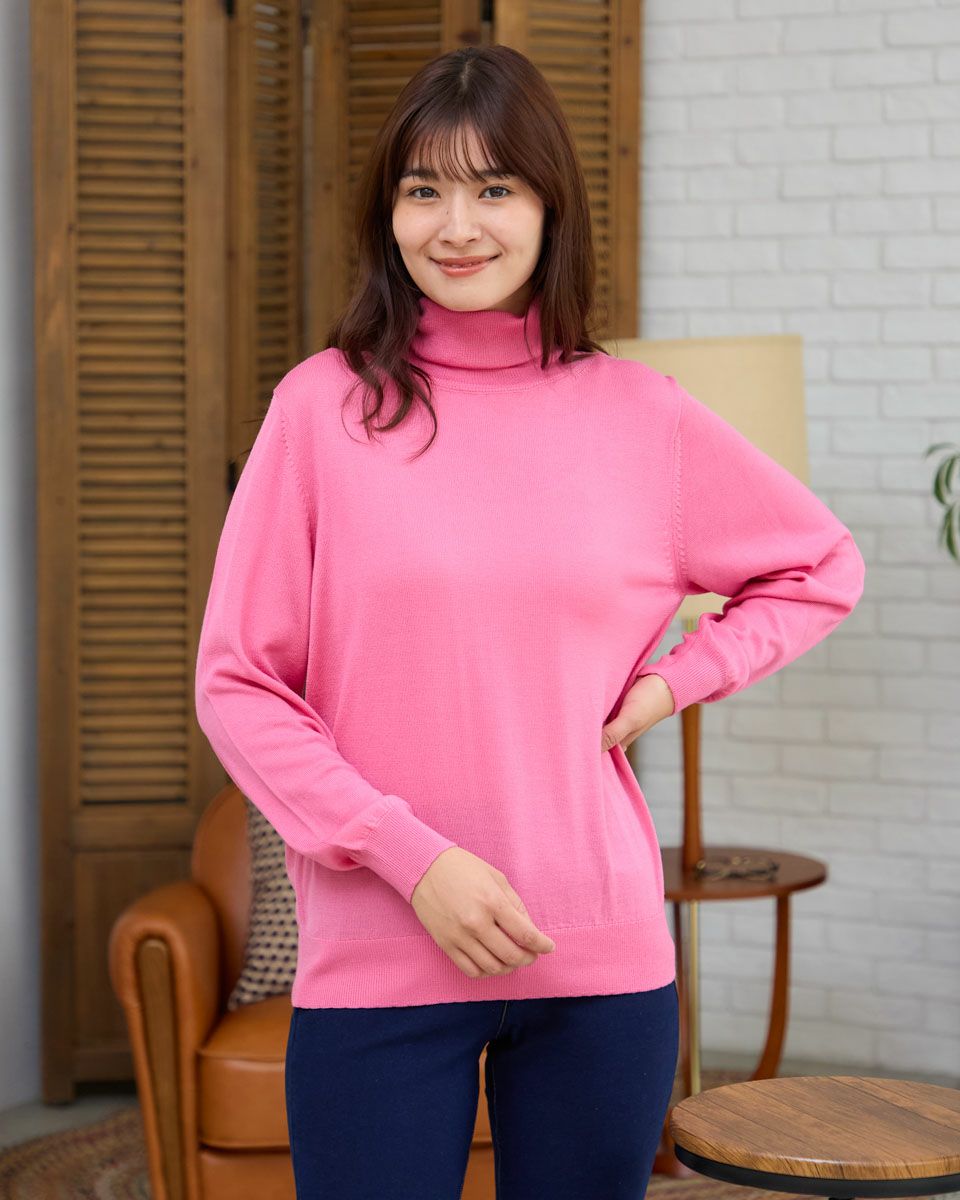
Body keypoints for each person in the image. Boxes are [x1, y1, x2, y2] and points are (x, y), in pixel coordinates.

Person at [194, 43, 865, 1200]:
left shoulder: (641, 416)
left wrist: (671, 682)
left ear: (551, 206)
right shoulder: (321, 410)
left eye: (494, 188)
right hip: (379, 958)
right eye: (424, 189)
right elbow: (239, 685)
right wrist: (413, 861)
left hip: (596, 958)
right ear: (388, 211)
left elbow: (821, 564)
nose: (456, 226)